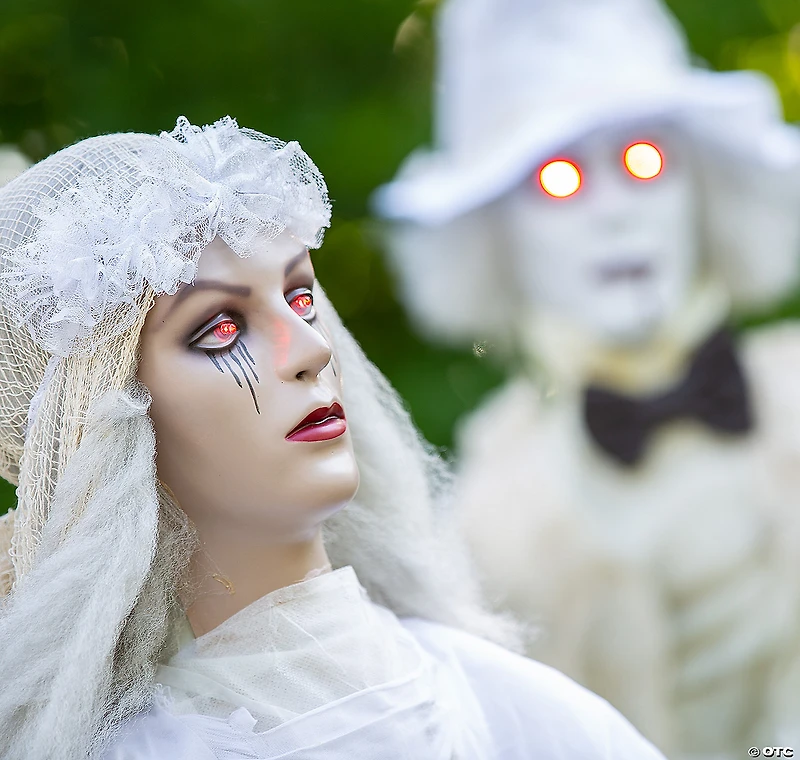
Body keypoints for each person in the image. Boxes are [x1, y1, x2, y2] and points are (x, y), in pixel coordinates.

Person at [0, 116, 662, 760]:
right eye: (222, 329)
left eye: (300, 298)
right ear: (101, 421)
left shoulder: (523, 716)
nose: (312, 349)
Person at [374, 0, 800, 755]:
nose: (613, 214)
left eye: (644, 160)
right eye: (559, 178)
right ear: (496, 237)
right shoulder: (484, 520)